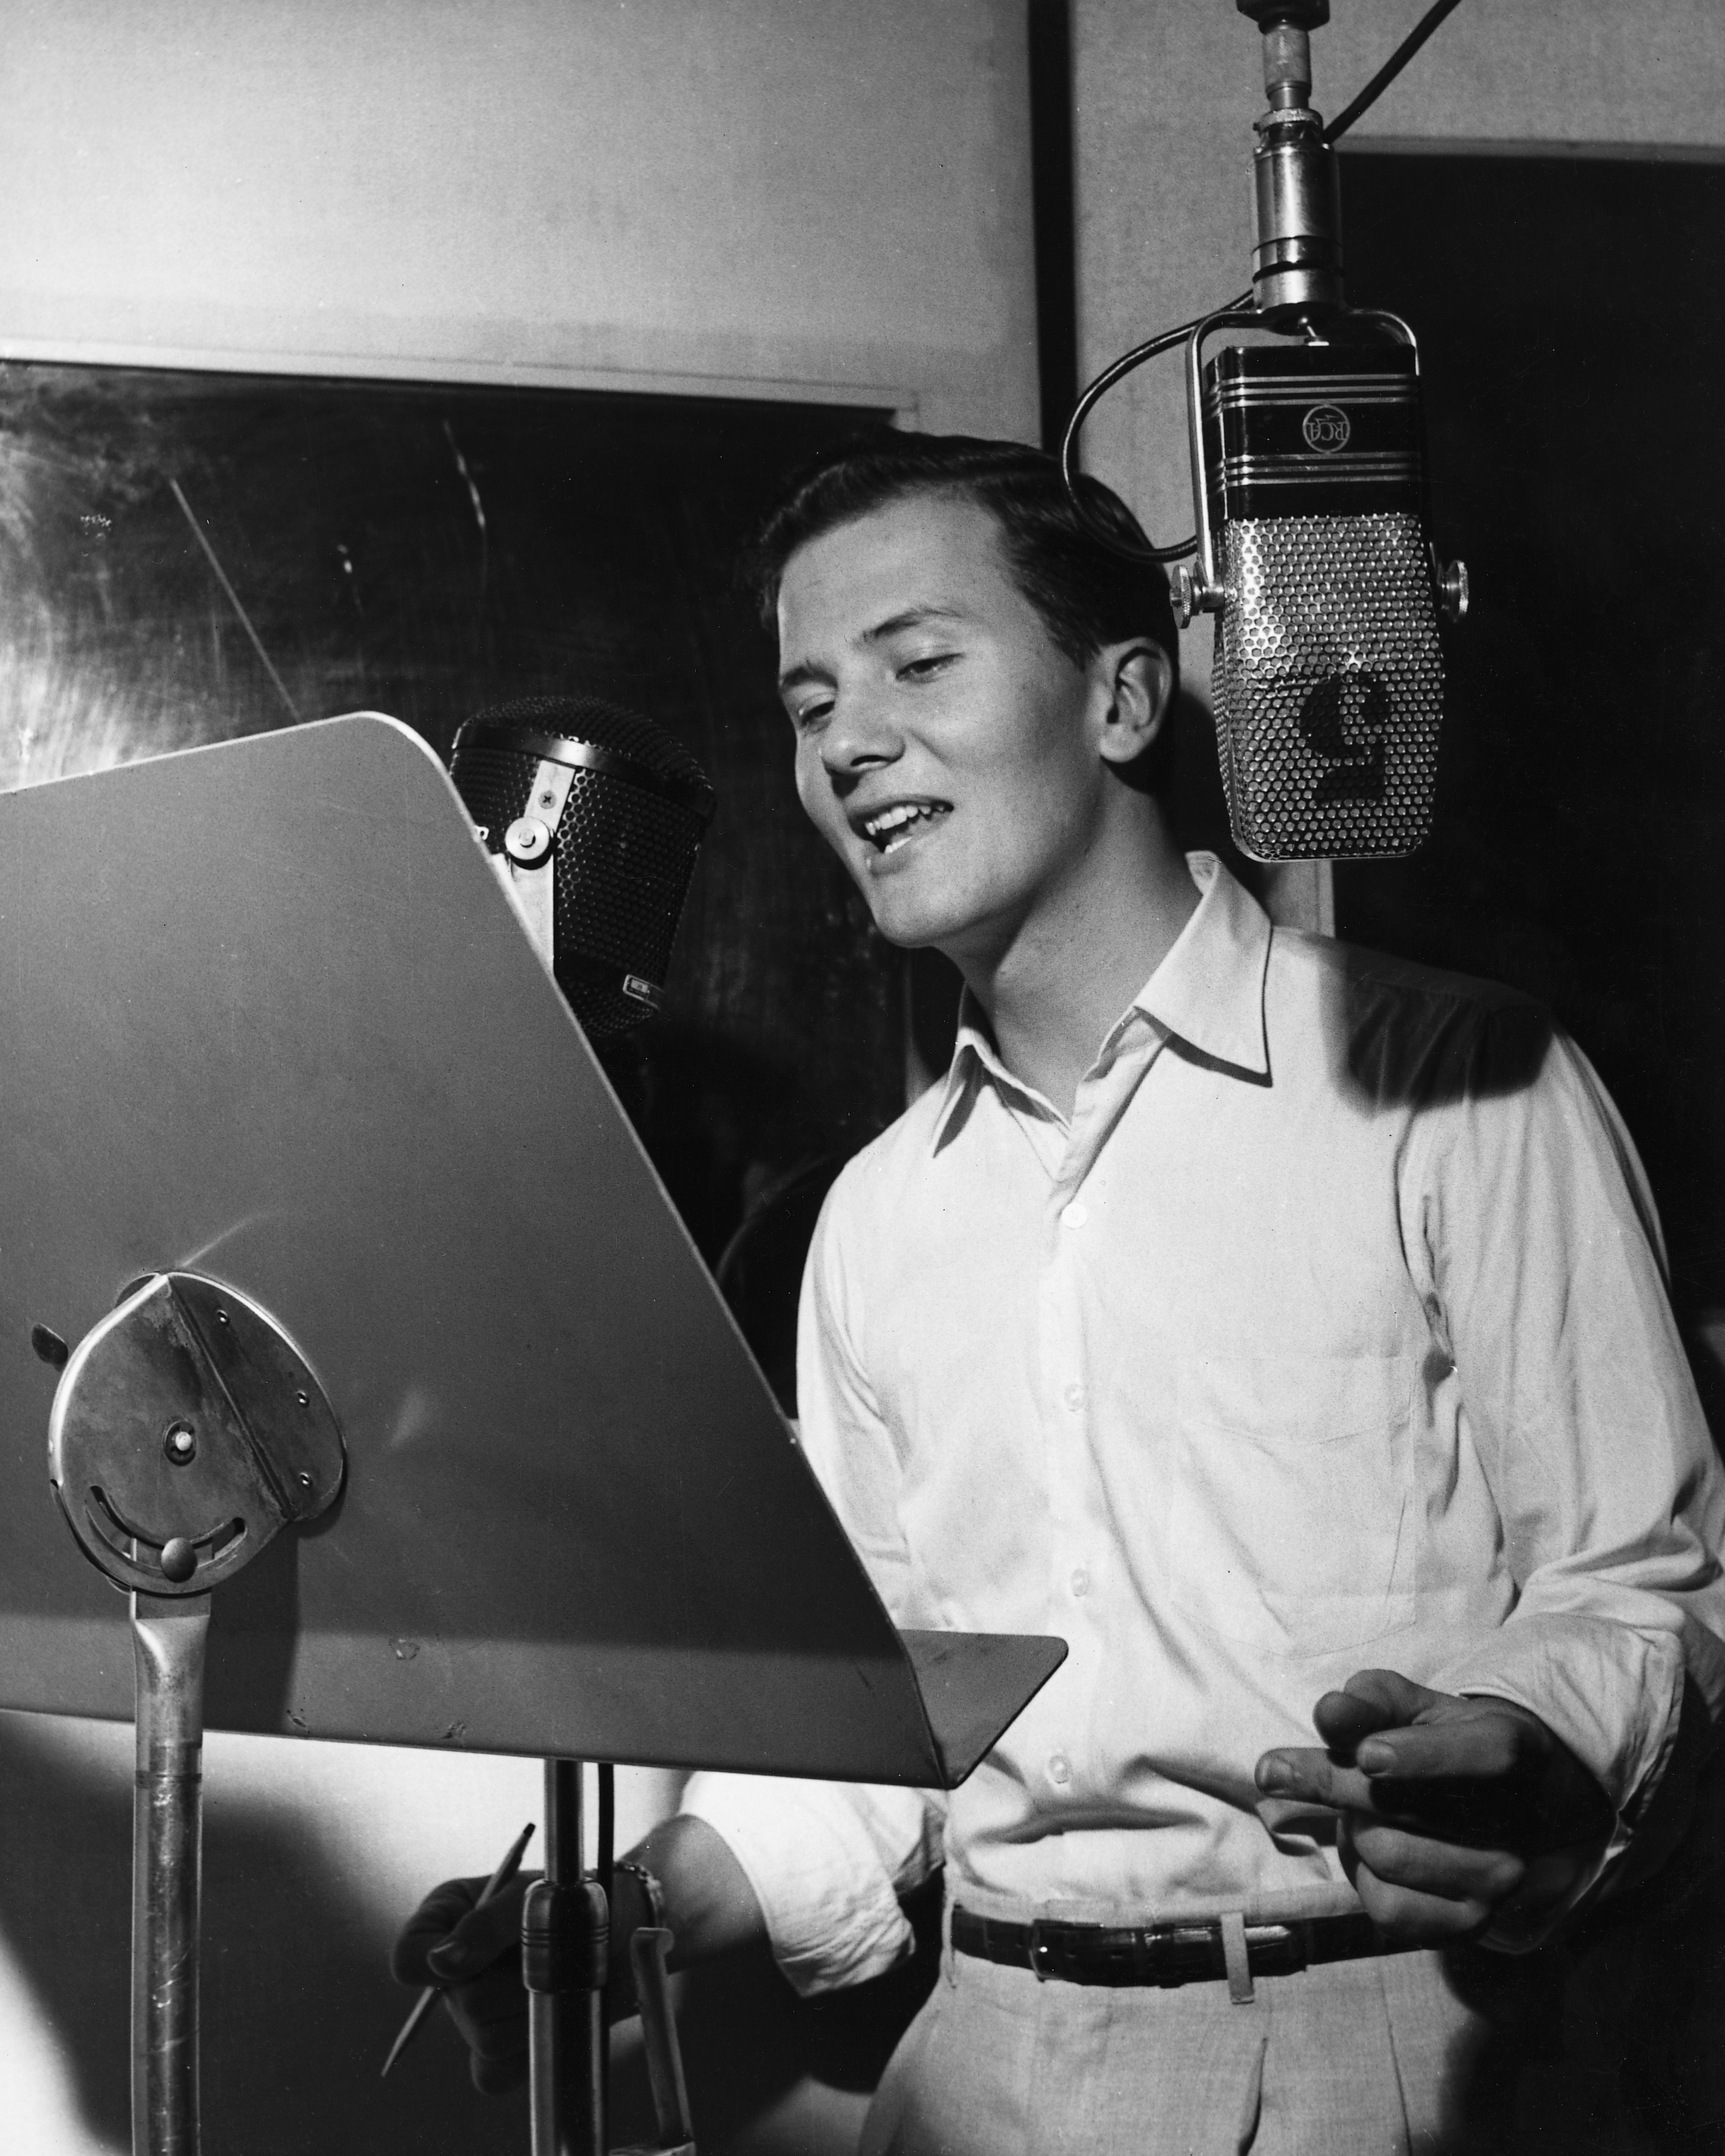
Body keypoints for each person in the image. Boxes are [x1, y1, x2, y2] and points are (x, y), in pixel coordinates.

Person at [394, 435, 1725, 2153]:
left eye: (916, 663)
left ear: (1121, 699)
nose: (848, 743)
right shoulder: (871, 1225)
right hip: (982, 2063)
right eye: (807, 705)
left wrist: (1535, 1743)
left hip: (1386, 2061)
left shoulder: (1457, 1083)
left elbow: (1647, 1593)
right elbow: (878, 1747)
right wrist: (620, 1917)